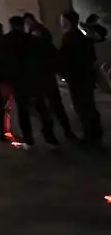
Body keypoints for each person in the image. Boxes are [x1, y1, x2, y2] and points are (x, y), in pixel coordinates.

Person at [2, 15, 58, 148]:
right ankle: (49, 136)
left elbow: (4, 62)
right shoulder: (31, 40)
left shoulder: (6, 41)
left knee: (23, 111)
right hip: (33, 78)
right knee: (41, 109)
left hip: (18, 80)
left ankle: (28, 138)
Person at [25, 13, 76, 141]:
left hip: (39, 77)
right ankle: (65, 130)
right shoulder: (46, 43)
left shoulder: (32, 44)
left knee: (45, 107)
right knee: (54, 104)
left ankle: (51, 134)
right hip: (47, 76)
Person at [59, 10, 103, 147]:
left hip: (77, 77)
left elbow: (65, 58)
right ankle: (95, 134)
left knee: (82, 107)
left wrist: (64, 74)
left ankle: (90, 136)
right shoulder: (83, 37)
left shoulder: (69, 38)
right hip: (86, 76)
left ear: (67, 21)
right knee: (89, 106)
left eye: (62, 19)